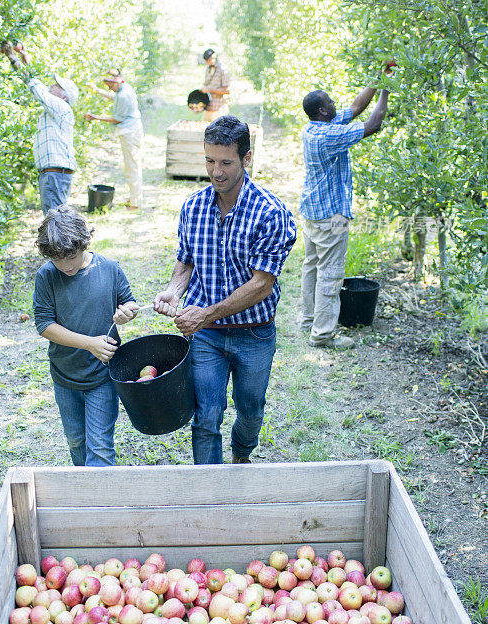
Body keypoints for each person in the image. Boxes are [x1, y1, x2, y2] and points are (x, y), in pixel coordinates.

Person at [115, 115, 296, 465]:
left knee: (251, 411)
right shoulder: (193, 207)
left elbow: (261, 285)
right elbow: (186, 261)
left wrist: (207, 313)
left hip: (254, 334)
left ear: (246, 159)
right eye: (210, 161)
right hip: (207, 336)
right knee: (207, 417)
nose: (216, 172)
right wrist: (173, 289)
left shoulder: (270, 213)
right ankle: (208, 494)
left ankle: (241, 455)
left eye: (226, 162)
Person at [33, 205, 139, 466]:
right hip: (65, 376)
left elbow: (129, 303)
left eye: (72, 257)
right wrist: (89, 343)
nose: (66, 265)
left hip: (102, 375)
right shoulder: (47, 276)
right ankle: (85, 493)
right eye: (57, 259)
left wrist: (127, 312)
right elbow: (44, 324)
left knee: (100, 448)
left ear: (85, 243)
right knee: (76, 441)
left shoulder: (109, 268)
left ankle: (103, 505)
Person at [300, 65, 393, 349]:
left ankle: (309, 321)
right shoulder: (329, 137)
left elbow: (356, 107)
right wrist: (387, 90)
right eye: (329, 101)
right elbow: (373, 123)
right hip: (332, 217)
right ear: (322, 111)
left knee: (312, 268)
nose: (334, 102)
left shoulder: (315, 128)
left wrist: (376, 79)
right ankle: (323, 335)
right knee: (330, 273)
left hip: (313, 212)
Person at [0, 42, 78, 213]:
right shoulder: (55, 110)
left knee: (55, 220)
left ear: (64, 96)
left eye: (57, 86)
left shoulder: (61, 107)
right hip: (53, 173)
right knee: (56, 219)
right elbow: (37, 84)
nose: (52, 86)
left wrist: (12, 57)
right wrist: (24, 58)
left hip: (55, 174)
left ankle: (61, 241)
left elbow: (36, 87)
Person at [85, 68, 143, 211]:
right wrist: (98, 91)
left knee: (132, 166)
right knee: (133, 164)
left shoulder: (123, 95)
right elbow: (114, 98)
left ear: (116, 82)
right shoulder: (124, 88)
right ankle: (134, 198)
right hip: (132, 129)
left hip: (129, 132)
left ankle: (135, 202)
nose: (109, 88)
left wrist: (95, 117)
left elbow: (116, 119)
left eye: (110, 85)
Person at [201, 48, 230, 122]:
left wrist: (210, 90)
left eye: (209, 60)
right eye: (206, 61)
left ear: (214, 57)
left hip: (219, 108)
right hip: (208, 107)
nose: (208, 62)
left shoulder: (223, 69)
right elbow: (206, 84)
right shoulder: (208, 68)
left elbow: (227, 91)